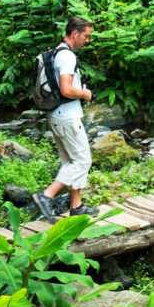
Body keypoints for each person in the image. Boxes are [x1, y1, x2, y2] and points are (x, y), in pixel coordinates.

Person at [33, 16, 99, 220]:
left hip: (56, 114)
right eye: (86, 36)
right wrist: (85, 94)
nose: (87, 40)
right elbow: (67, 89)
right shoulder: (67, 56)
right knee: (82, 161)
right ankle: (46, 196)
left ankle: (76, 205)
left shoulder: (55, 53)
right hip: (67, 117)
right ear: (75, 33)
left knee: (69, 161)